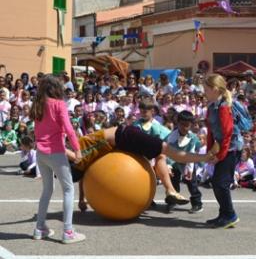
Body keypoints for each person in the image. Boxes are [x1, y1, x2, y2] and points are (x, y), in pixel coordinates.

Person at [65, 124, 217, 210]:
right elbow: (84, 174)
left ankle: (201, 160)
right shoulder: (80, 159)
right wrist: (82, 199)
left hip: (125, 138)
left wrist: (82, 200)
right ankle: (172, 188)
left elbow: (82, 174)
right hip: (125, 138)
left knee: (166, 153)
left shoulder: (79, 158)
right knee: (165, 153)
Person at [31, 74, 85, 244]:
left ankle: (40, 228)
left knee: (47, 190)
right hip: (56, 152)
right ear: (56, 88)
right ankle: (68, 231)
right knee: (68, 189)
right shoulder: (59, 104)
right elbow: (69, 129)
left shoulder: (38, 104)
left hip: (41, 153)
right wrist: (77, 150)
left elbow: (38, 130)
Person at [203, 73, 242, 229]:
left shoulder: (224, 106)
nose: (204, 92)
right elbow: (211, 131)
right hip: (222, 148)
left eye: (206, 89)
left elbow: (227, 133)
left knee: (221, 183)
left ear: (215, 89)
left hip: (231, 148)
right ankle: (224, 214)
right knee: (217, 182)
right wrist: (209, 151)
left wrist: (220, 155)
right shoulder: (212, 105)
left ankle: (230, 215)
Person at [166, 110, 203, 214]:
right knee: (173, 182)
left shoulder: (193, 138)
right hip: (174, 162)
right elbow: (168, 152)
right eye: (182, 124)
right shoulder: (171, 137)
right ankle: (172, 201)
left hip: (188, 161)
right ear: (177, 123)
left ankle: (197, 203)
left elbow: (192, 153)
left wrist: (189, 169)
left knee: (192, 183)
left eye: (187, 125)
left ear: (191, 125)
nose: (184, 127)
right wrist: (168, 166)